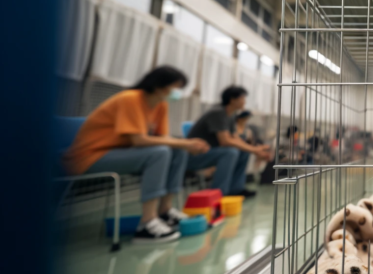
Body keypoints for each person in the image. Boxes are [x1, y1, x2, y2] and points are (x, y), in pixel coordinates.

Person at [64, 66, 210, 243]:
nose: (177, 92)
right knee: (160, 152)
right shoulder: (131, 99)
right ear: (158, 85)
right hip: (90, 157)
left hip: (120, 153)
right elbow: (138, 140)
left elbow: (162, 136)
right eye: (175, 87)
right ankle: (147, 223)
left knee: (177, 150)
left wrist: (183, 145)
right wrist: (185, 142)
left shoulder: (160, 104)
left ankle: (165, 212)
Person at [186, 86, 271, 198]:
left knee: (242, 151)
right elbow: (225, 141)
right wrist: (254, 149)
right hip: (194, 156)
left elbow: (235, 139)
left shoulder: (229, 115)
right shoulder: (218, 113)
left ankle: (236, 189)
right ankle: (219, 193)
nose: (244, 101)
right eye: (242, 98)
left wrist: (255, 150)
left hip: (210, 153)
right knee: (230, 152)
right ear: (232, 99)